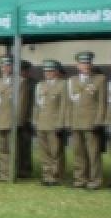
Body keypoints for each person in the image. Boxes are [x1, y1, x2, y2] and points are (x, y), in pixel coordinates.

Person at [66, 51, 106, 189]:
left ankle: (95, 180)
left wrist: (99, 121)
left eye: (88, 63)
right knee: (78, 152)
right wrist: (68, 121)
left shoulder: (99, 79)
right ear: (77, 65)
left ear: (91, 64)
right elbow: (69, 104)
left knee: (93, 153)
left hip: (91, 122)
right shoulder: (72, 81)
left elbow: (102, 102)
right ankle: (80, 179)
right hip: (76, 121)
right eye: (83, 63)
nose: (86, 65)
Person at [34, 60, 68, 186]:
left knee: (56, 152)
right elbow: (37, 105)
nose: (47, 73)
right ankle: (46, 175)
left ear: (57, 72)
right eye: (46, 71)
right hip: (42, 122)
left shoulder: (63, 84)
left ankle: (56, 176)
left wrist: (61, 123)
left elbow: (64, 106)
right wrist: (35, 120)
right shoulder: (40, 85)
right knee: (44, 152)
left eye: (51, 71)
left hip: (54, 123)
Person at [0, 55, 22, 182]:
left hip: (11, 120)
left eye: (8, 65)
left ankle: (11, 173)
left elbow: (21, 103)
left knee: (12, 149)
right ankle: (2, 174)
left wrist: (19, 121)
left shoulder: (19, 81)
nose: (5, 68)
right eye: (3, 66)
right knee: (1, 149)